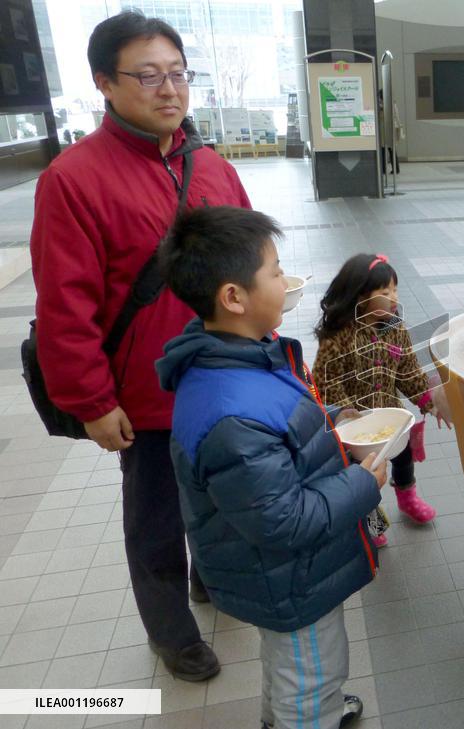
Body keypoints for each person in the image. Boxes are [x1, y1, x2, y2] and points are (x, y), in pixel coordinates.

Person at [29, 11, 251, 680]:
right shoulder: (72, 179)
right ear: (104, 82)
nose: (168, 90)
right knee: (155, 517)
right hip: (147, 393)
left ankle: (210, 578)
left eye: (178, 74)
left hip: (222, 382)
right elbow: (64, 307)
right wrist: (92, 401)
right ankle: (171, 631)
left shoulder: (208, 164)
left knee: (219, 494)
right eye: (147, 76)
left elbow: (249, 258)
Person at [156, 206, 383, 729]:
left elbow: (283, 431)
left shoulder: (244, 356)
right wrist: (362, 483)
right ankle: (309, 715)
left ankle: (295, 713)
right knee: (309, 670)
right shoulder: (230, 408)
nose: (286, 281)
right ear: (233, 298)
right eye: (276, 271)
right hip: (285, 576)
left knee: (293, 664)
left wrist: (333, 418)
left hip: (280, 573)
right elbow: (282, 521)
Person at [312, 253, 450, 546]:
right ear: (361, 295)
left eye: (395, 290)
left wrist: (429, 401)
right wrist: (346, 414)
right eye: (384, 292)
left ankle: (407, 498)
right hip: (355, 426)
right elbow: (326, 378)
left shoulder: (397, 329)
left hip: (390, 417)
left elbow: (408, 371)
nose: (393, 298)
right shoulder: (340, 335)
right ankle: (370, 519)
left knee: (403, 457)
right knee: (362, 474)